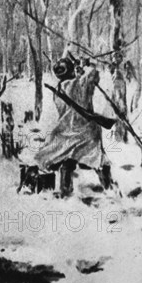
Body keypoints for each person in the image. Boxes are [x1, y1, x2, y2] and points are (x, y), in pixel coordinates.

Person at [34, 56, 111, 196]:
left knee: (67, 161)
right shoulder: (80, 83)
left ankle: (66, 191)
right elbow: (93, 75)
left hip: (66, 134)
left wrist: (79, 72)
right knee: (100, 160)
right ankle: (109, 186)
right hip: (86, 133)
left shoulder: (58, 90)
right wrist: (86, 65)